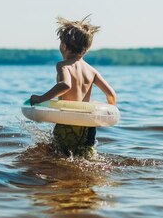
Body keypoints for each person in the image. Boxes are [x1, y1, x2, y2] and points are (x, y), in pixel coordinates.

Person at [30, 16, 116, 158]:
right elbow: (111, 95)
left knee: (60, 156)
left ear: (63, 46)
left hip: (68, 122)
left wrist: (41, 98)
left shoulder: (63, 66)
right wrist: (109, 110)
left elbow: (65, 85)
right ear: (86, 49)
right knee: (86, 156)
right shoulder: (92, 70)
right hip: (88, 124)